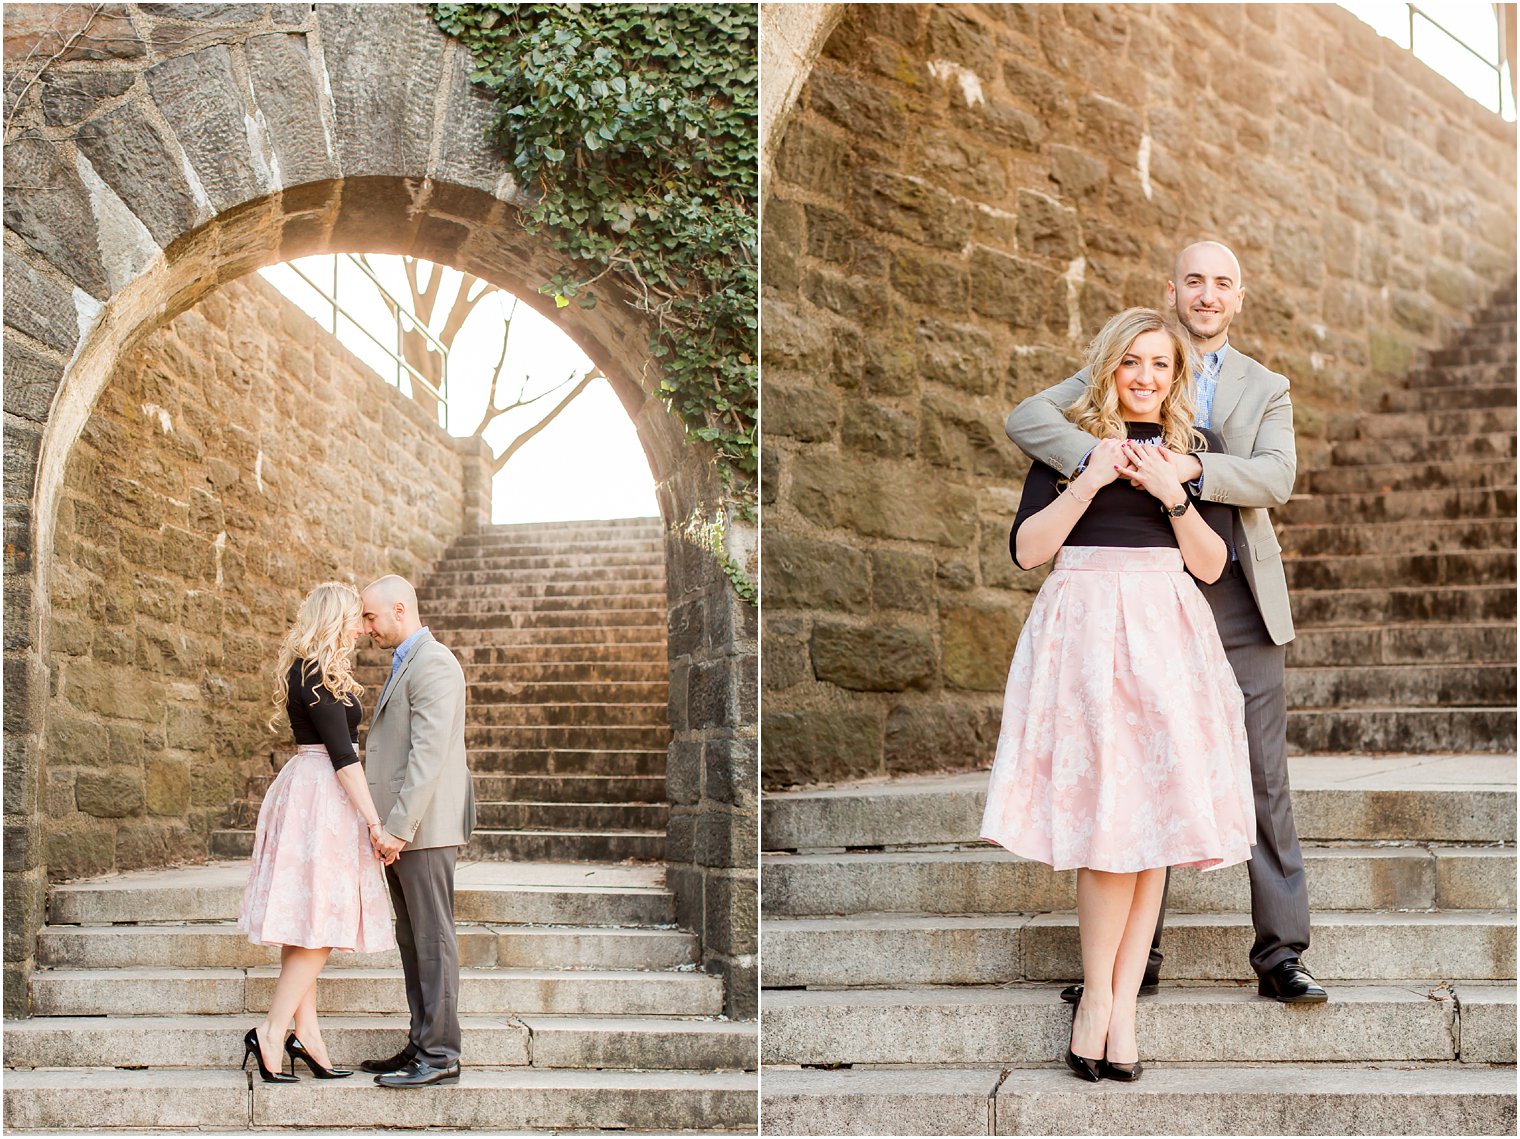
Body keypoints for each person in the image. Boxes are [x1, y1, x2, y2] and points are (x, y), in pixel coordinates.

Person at [1006, 242, 1325, 1007]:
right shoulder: (1134, 358)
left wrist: (1188, 469)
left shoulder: (1266, 386)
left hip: (1231, 588)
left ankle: (1281, 952)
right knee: (1134, 769)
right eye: (1194, 281)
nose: (1207, 295)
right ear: (1172, 289)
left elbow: (1276, 475)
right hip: (1134, 596)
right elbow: (1028, 417)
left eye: (1221, 283)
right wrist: (1108, 460)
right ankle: (1127, 964)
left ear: (1238, 297)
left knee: (1261, 778)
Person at [981, 307, 1256, 1083]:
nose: (1144, 376)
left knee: (1154, 826)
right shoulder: (1067, 450)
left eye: (1160, 365)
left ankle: (1124, 1005)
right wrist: (1091, 478)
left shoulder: (1193, 456)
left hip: (1167, 640)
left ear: (1176, 378)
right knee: (1108, 824)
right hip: (1084, 638)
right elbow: (1028, 550)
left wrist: (1173, 492)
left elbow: (1211, 565)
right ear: (1108, 368)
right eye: (1131, 361)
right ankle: (1095, 1000)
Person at [237, 581, 396, 1083]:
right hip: (321, 794)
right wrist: (374, 822)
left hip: (311, 790)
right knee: (322, 919)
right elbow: (344, 758)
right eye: (355, 616)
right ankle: (271, 1030)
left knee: (308, 919)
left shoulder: (312, 668)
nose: (362, 626)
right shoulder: (316, 673)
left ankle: (308, 1034)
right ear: (336, 618)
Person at [357, 574, 476, 1088]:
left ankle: (442, 1053)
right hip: (403, 833)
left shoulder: (435, 664)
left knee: (433, 939)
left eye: (370, 617)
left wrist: (398, 828)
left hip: (421, 831)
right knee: (413, 940)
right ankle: (422, 1041)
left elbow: (427, 757)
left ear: (400, 610)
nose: (365, 628)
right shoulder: (406, 663)